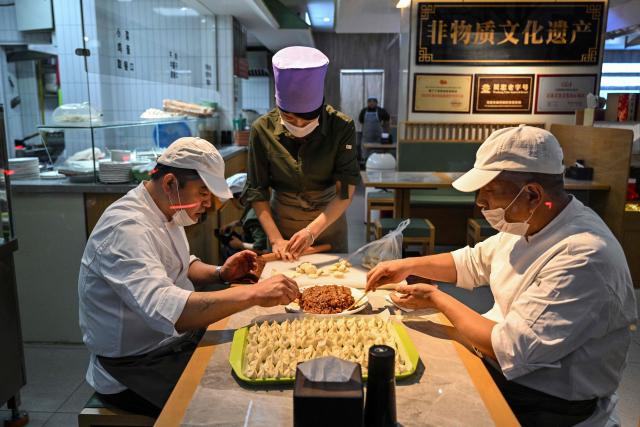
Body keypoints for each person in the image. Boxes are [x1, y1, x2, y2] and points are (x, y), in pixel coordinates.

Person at [366, 125, 637, 426]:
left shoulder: (583, 256)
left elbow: (508, 347)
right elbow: (471, 262)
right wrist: (407, 266)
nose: (480, 202)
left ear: (533, 193)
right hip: (501, 364)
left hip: (546, 399)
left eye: (490, 191)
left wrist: (437, 299)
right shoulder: (529, 220)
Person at [78, 137, 299, 417]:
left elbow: (180, 264)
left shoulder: (165, 209)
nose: (207, 204)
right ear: (170, 183)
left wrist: (220, 272)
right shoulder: (126, 230)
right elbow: (173, 312)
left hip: (170, 344)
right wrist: (255, 293)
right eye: (203, 193)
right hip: (134, 366)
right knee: (234, 406)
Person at [242, 46, 360, 260]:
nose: (298, 124)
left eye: (307, 119)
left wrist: (311, 232)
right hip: (281, 226)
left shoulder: (341, 127)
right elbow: (257, 191)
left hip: (328, 223)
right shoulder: (262, 129)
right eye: (288, 117)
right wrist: (276, 240)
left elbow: (345, 192)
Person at [218, 173, 268, 259]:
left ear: (239, 197)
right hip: (251, 241)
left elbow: (263, 249)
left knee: (227, 250)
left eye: (231, 200)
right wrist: (234, 224)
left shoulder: (253, 219)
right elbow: (248, 219)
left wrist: (240, 245)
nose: (232, 203)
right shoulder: (255, 206)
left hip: (259, 257)